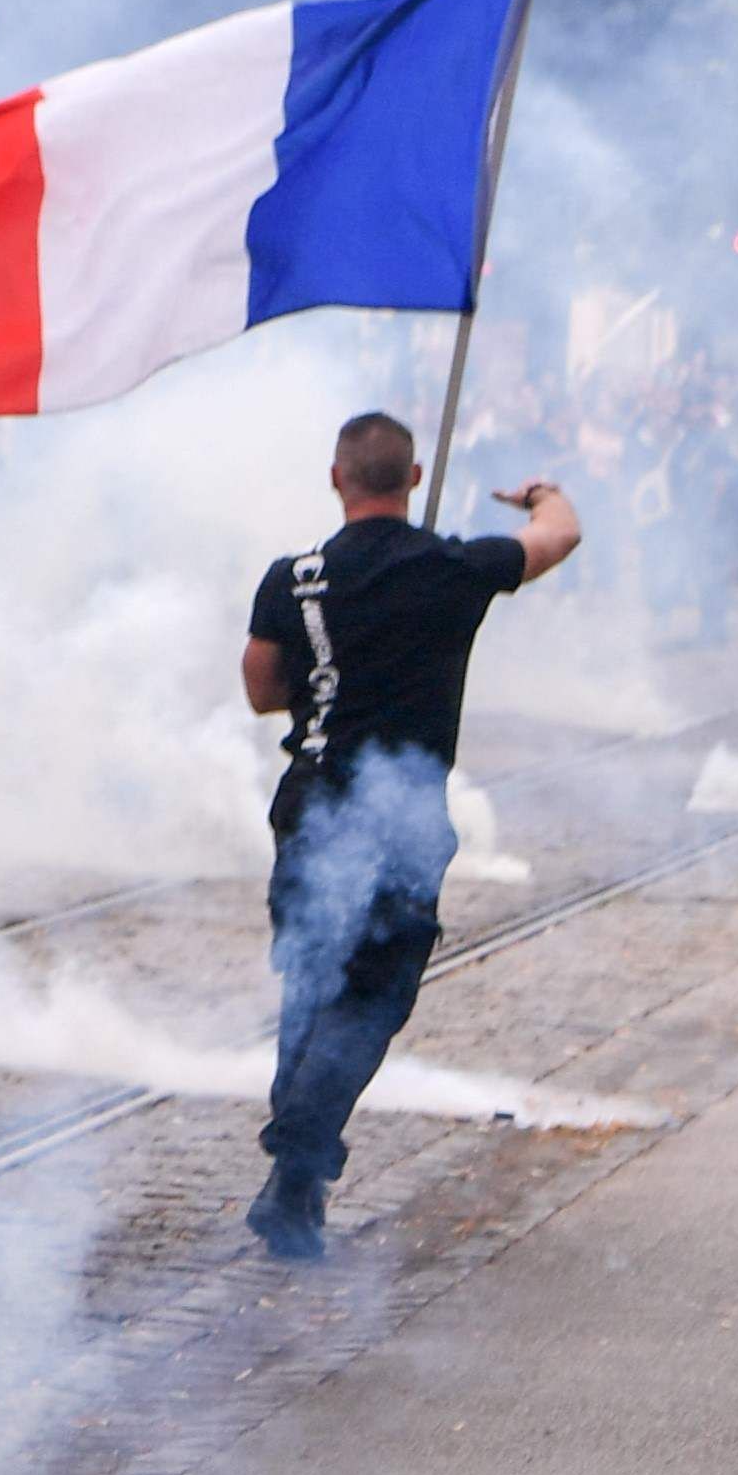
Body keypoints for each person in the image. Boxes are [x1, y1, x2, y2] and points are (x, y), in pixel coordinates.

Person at [236, 411, 580, 1260]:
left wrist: (333, 681)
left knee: (312, 979)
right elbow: (557, 535)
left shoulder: (296, 577)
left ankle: (296, 1188)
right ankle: (298, 1152)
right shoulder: (450, 567)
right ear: (414, 480)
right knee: (371, 993)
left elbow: (259, 688)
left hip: (311, 800)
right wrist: (541, 493)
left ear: (336, 478)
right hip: (400, 817)